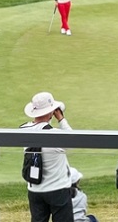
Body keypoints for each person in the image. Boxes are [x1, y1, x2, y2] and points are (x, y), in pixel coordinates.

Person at [20, 91, 73, 222]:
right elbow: (72, 140)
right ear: (50, 112)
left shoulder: (23, 129)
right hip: (58, 189)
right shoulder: (54, 135)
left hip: (35, 190)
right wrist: (61, 118)